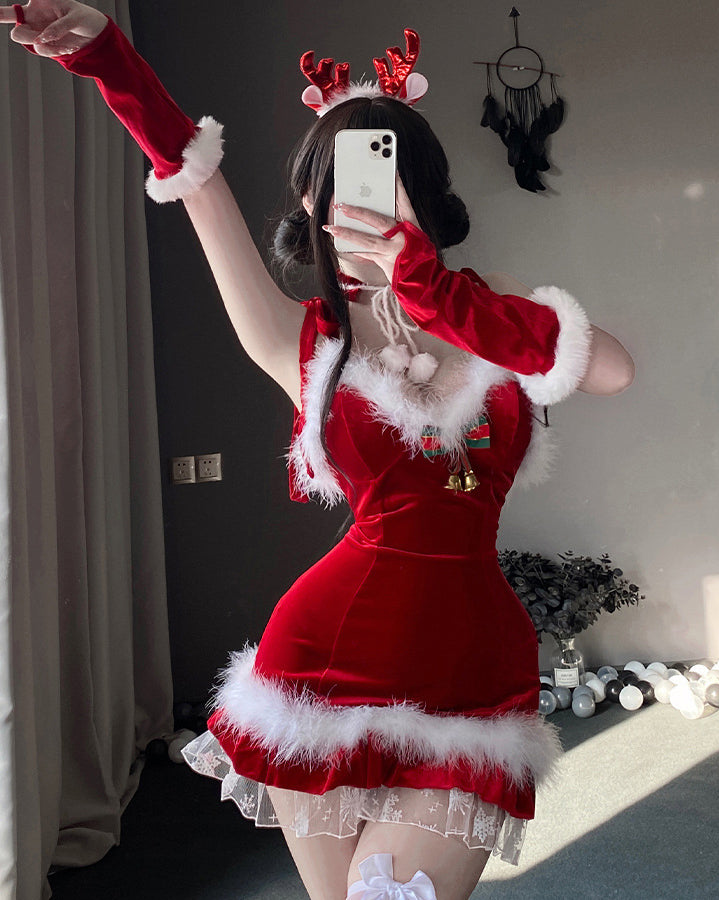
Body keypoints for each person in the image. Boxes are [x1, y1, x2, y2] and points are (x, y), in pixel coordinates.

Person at [3, 3, 635, 898]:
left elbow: (610, 370)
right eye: (330, 185)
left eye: (378, 176)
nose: (353, 201)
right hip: (321, 667)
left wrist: (428, 286)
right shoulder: (300, 341)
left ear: (422, 191)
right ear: (310, 204)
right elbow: (197, 184)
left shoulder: (489, 308)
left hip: (474, 673)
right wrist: (110, 57)